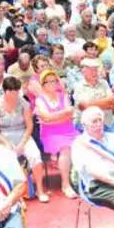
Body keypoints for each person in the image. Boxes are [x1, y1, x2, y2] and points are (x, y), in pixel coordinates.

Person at [0, 76, 47, 203]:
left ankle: (40, 190)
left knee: (35, 155)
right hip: (3, 136)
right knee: (3, 157)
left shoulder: (23, 103)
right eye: (13, 91)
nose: (16, 94)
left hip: (22, 135)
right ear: (5, 91)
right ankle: (8, 192)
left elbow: (29, 126)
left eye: (17, 91)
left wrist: (22, 143)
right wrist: (6, 143)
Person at [34, 69, 79, 198]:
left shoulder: (63, 96)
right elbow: (46, 117)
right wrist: (62, 114)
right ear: (43, 85)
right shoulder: (40, 100)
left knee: (83, 145)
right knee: (65, 149)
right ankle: (66, 184)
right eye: (48, 82)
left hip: (69, 130)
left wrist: (52, 118)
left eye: (54, 81)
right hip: (51, 134)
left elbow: (69, 116)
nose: (53, 84)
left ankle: (80, 180)